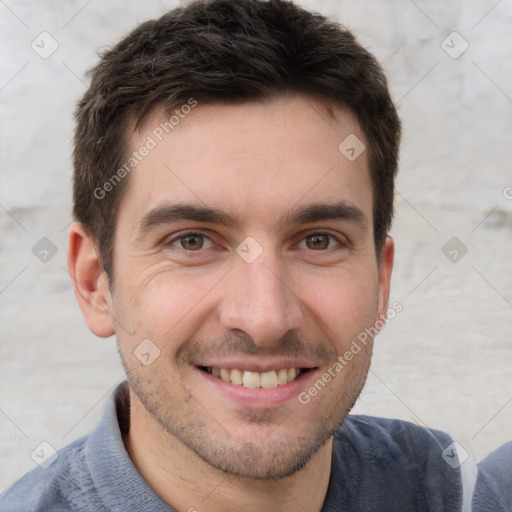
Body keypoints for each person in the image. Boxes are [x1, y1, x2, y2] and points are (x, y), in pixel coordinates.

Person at [1, 0, 510, 510]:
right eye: (192, 241)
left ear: (380, 282)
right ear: (95, 282)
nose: (265, 317)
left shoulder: (455, 492)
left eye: (318, 240)